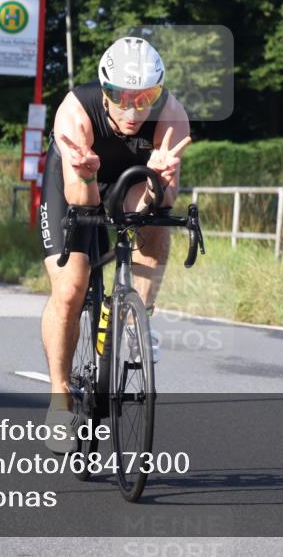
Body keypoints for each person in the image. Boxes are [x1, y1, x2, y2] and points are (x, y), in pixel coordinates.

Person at [38, 37, 191, 453]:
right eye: (123, 97)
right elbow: (79, 198)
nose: (134, 109)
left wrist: (158, 183)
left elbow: (154, 204)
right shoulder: (75, 111)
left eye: (146, 97)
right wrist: (86, 173)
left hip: (130, 181)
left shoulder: (171, 115)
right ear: (105, 92)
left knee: (157, 223)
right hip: (75, 182)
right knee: (70, 288)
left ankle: (137, 320)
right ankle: (59, 401)